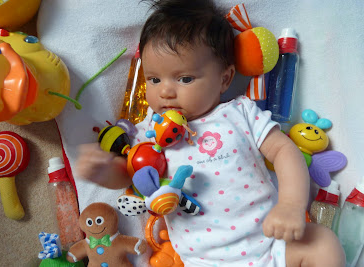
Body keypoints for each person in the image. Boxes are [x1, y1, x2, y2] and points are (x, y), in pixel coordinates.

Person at [75, 0, 345, 266]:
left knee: (323, 244)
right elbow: (130, 173)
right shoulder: (148, 132)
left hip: (272, 246)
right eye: (154, 79)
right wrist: (104, 172)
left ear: (225, 79)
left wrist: (291, 206)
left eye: (185, 79)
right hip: (202, 260)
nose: (166, 91)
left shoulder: (240, 112)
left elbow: (285, 151)